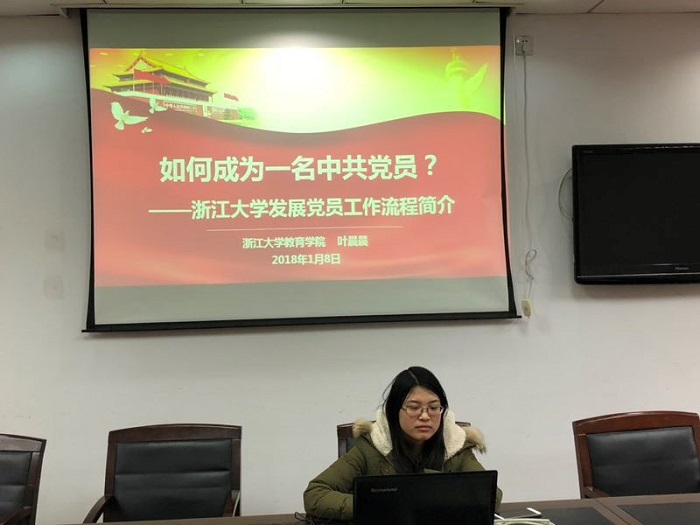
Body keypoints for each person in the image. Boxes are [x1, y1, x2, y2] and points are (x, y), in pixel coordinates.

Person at [303, 366, 502, 521]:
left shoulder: (455, 446)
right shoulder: (371, 447)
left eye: (434, 407)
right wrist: (380, 505)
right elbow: (315, 494)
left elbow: (490, 496)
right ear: (394, 411)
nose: (425, 416)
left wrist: (421, 499)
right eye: (414, 407)